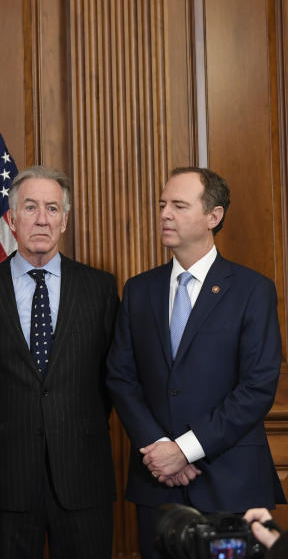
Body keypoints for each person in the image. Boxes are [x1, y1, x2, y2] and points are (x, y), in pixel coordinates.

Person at [107, 167, 285, 558]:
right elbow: (121, 377)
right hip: (158, 487)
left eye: (178, 205)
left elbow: (257, 388)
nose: (164, 214)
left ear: (213, 217)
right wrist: (159, 448)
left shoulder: (252, 290)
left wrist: (185, 449)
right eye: (162, 204)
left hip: (232, 487)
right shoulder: (139, 290)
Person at [0, 166, 119, 558]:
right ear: (11, 219)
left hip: (83, 475)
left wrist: (69, 420)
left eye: (52, 208)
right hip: (7, 477)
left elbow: (111, 377)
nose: (42, 218)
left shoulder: (100, 289)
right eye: (30, 207)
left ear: (64, 220)